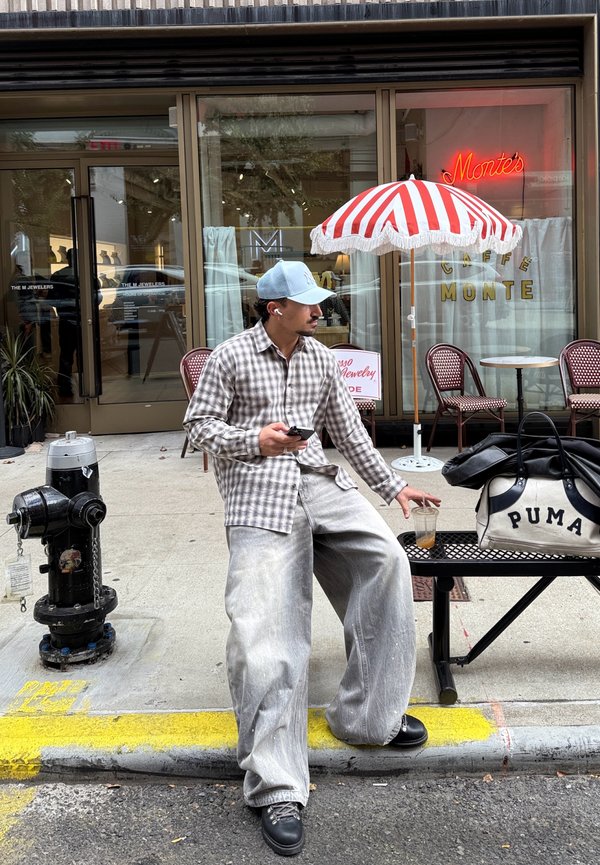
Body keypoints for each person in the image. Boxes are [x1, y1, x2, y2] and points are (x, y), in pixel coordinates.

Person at [183, 260, 441, 857]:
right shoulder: (229, 357)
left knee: (386, 561)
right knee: (266, 628)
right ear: (275, 308)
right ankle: (277, 785)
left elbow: (349, 434)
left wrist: (394, 488)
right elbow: (198, 428)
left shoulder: (321, 360)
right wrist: (254, 441)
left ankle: (370, 716)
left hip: (320, 482)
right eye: (308, 303)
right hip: (257, 492)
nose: (319, 311)